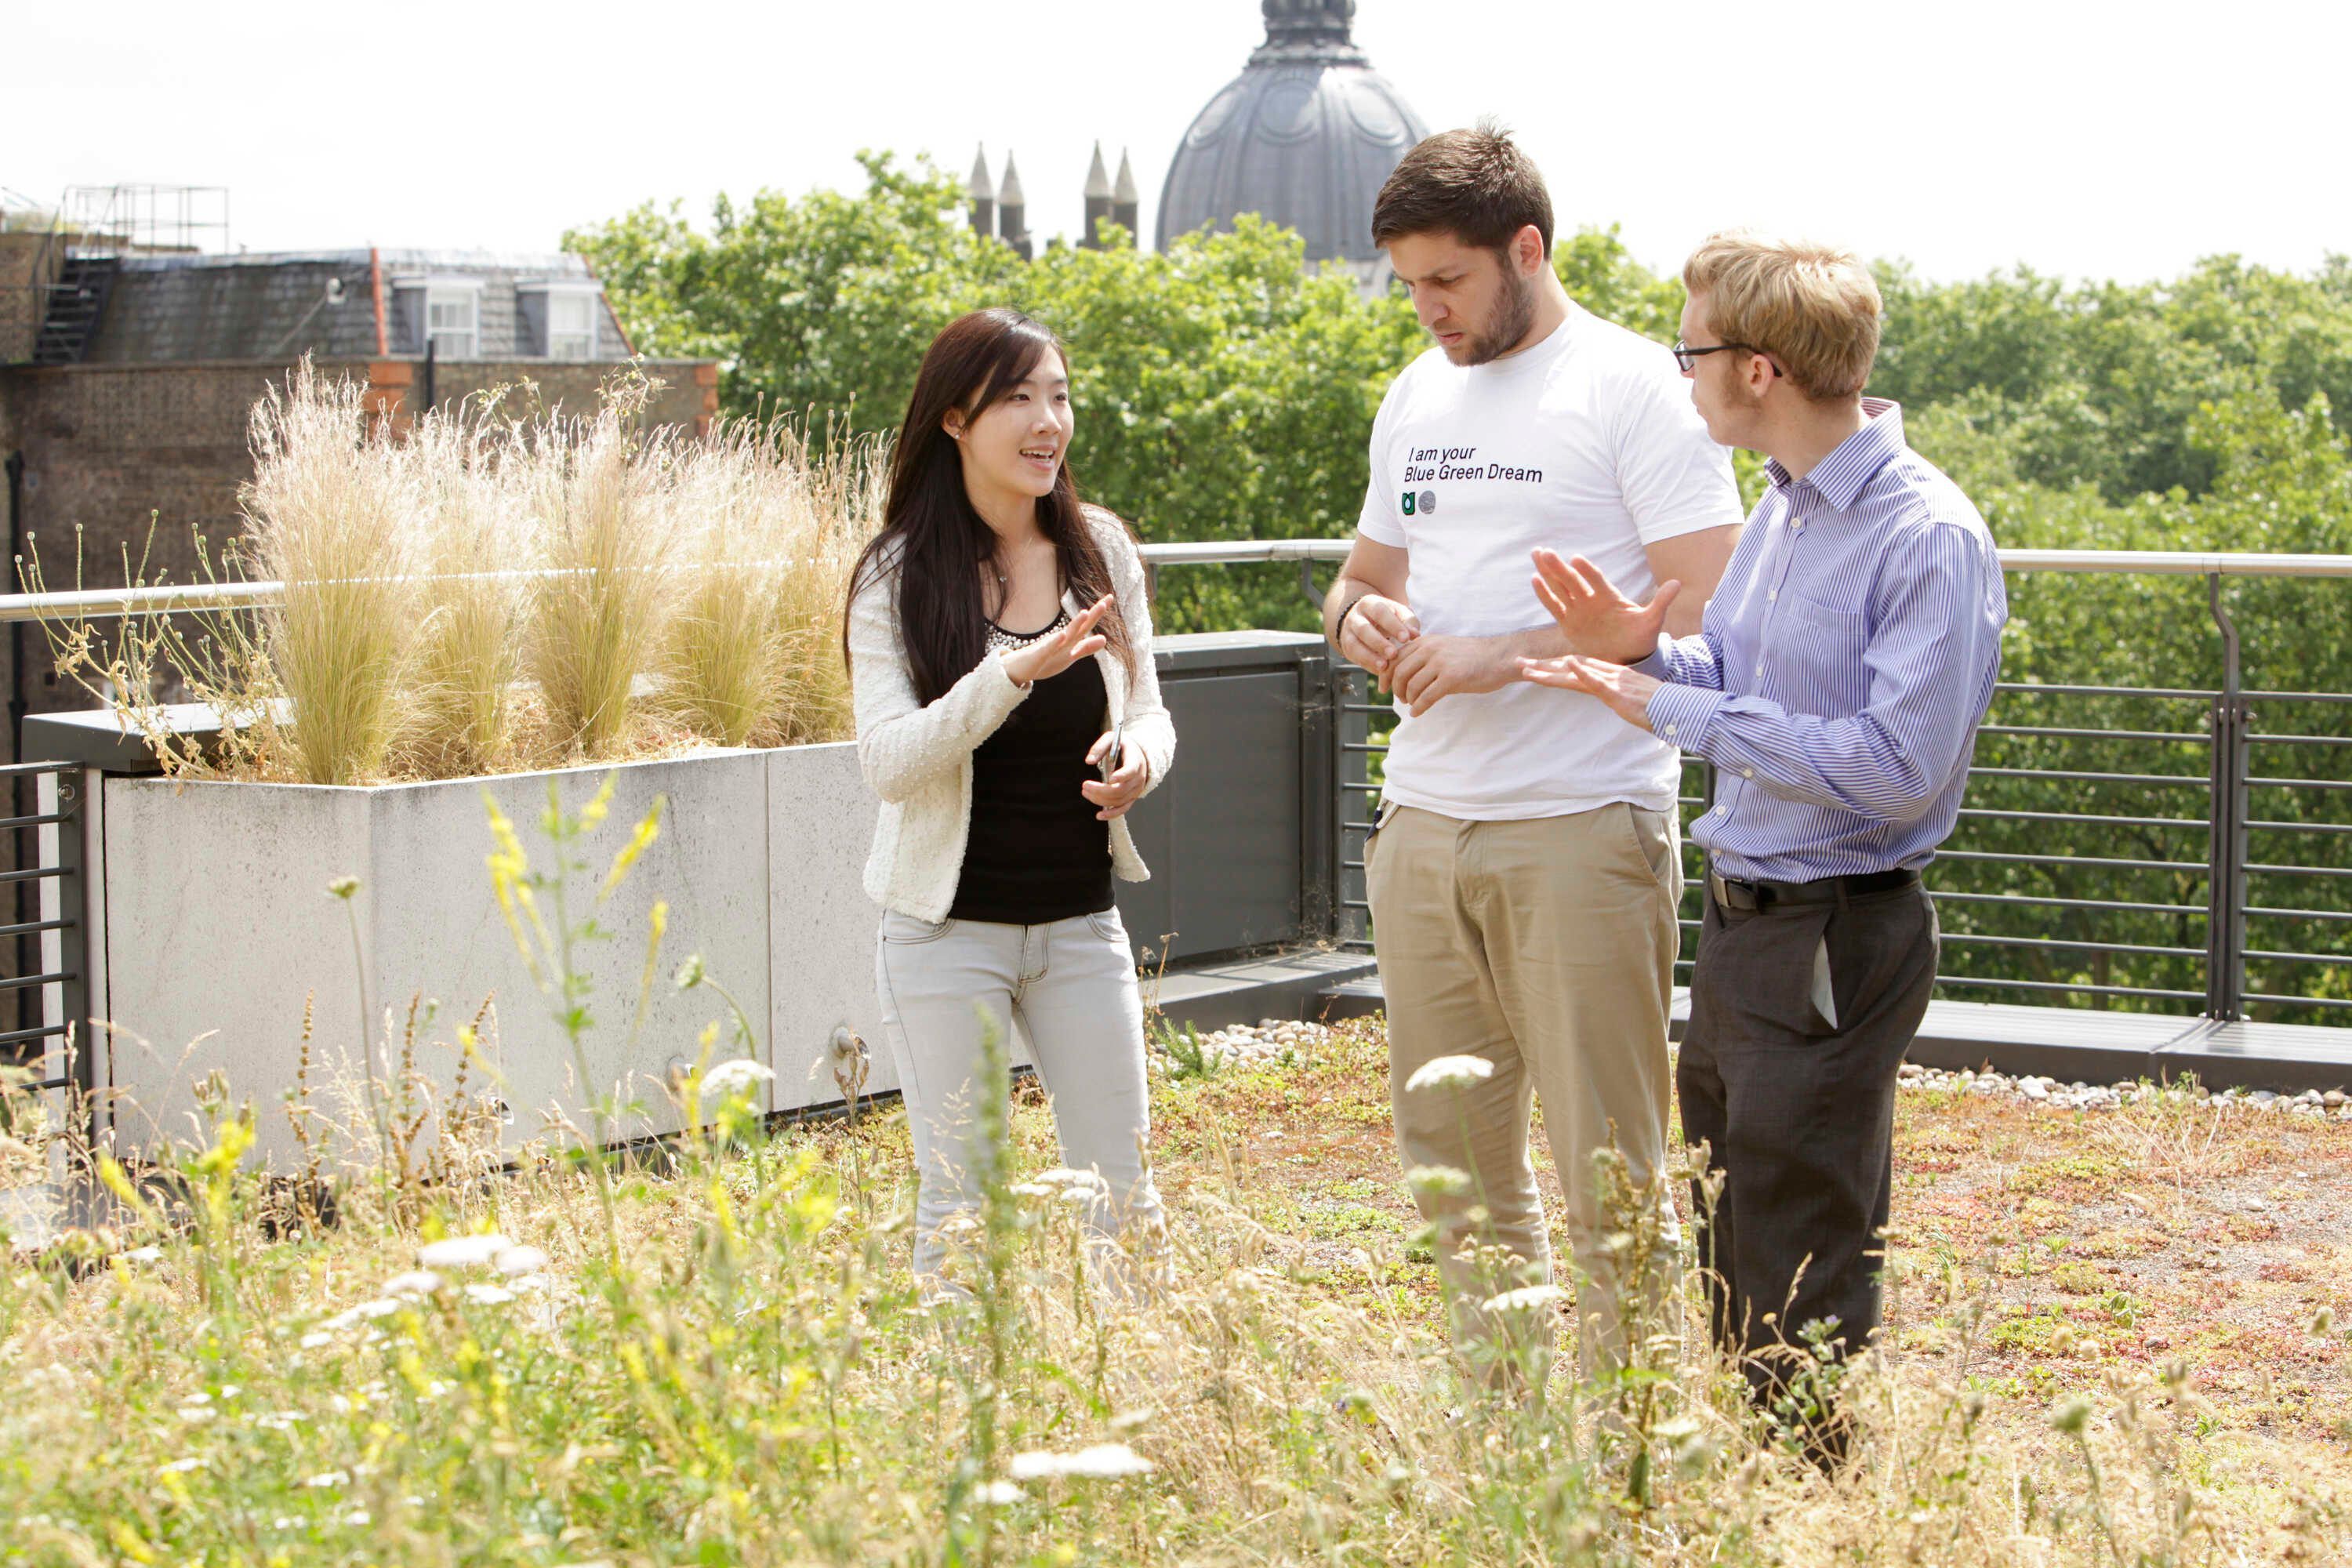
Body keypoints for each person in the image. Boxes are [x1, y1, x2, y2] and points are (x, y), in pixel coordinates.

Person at [1519, 231, 2006, 1449]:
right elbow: (1742, 681)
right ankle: (1763, 1491)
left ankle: (1810, 1507)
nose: (1681, 377)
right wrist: (1643, 655)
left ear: (1761, 369)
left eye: (1692, 353)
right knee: (1733, 1226)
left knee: (1801, 1254)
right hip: (1746, 926)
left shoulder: (1924, 536)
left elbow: (1895, 771)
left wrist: (1668, 705)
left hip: (1840, 929)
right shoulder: (1783, 516)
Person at [1322, 122, 1744, 1377]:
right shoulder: (1416, 394)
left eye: (1447, 281)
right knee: (1456, 1177)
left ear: (1527, 248)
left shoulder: (1633, 389)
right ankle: (1507, 1460)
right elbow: (1352, 584)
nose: (1428, 310)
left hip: (1582, 821)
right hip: (1424, 828)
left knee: (1610, 1174)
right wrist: (1367, 624)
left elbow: (1709, 609)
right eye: (1407, 286)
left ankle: (1628, 1469)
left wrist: (1499, 651)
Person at [843, 307, 1174, 1290]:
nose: (1048, 422)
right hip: (947, 937)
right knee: (964, 1200)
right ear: (954, 419)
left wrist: (1140, 758)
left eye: (1060, 397)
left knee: (1124, 1190)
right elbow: (889, 763)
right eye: (1019, 398)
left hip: (1080, 924)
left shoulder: (1099, 549)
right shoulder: (895, 575)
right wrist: (1014, 674)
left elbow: (1153, 706)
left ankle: (1143, 1405)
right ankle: (961, 1423)